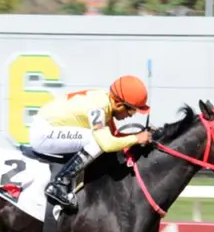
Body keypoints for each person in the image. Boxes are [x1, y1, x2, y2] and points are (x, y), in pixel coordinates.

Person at [32, 75, 153, 211]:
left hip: (50, 126)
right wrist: (137, 138)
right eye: (131, 109)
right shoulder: (99, 108)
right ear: (119, 105)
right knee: (96, 141)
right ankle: (59, 185)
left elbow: (115, 136)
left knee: (98, 138)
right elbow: (107, 145)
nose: (131, 115)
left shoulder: (107, 101)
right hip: (43, 133)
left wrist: (139, 137)